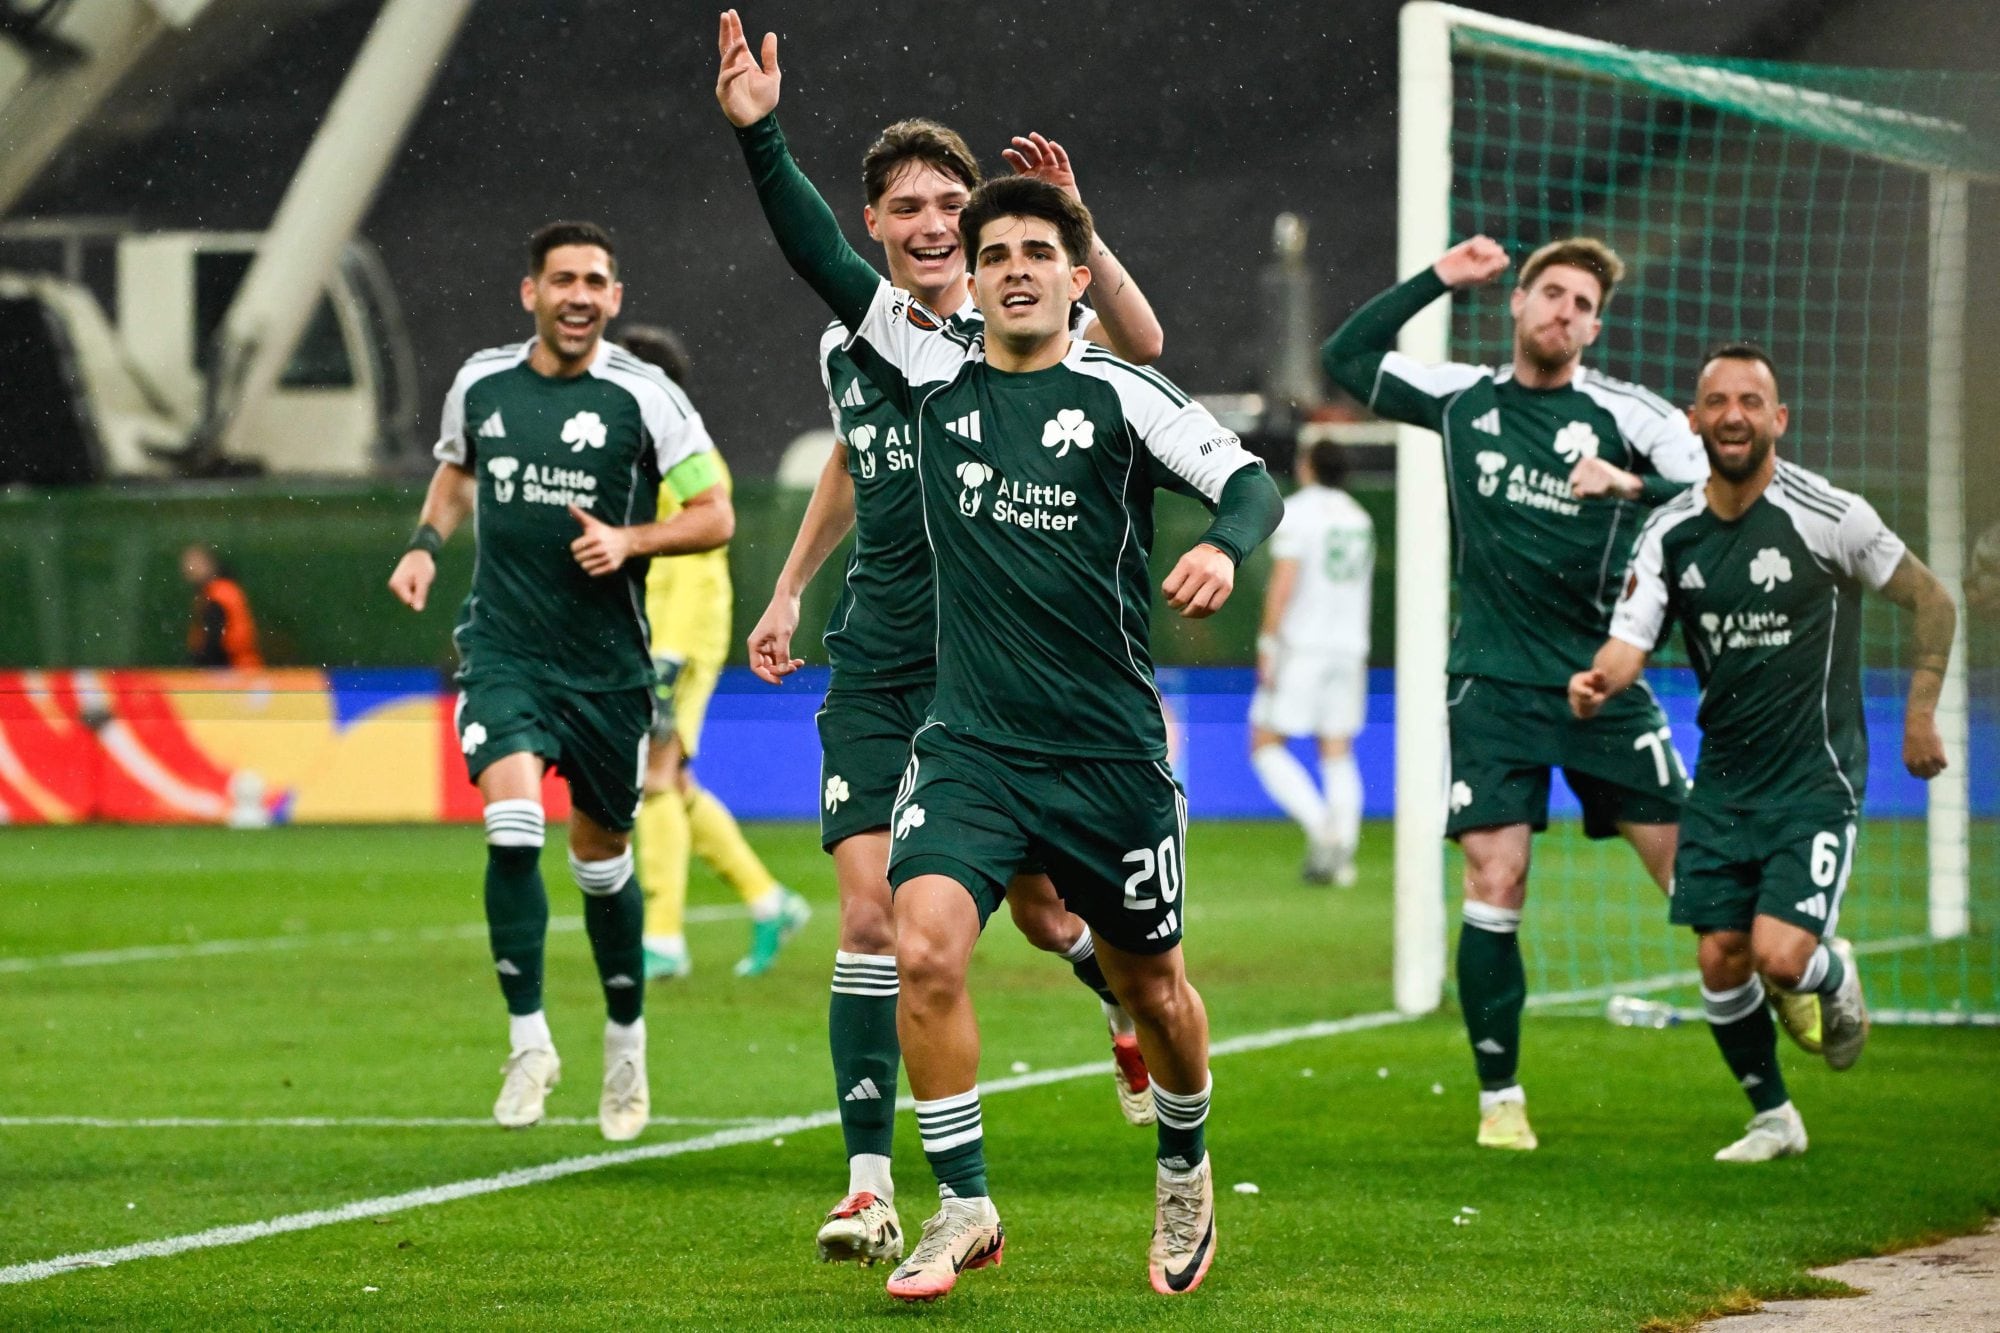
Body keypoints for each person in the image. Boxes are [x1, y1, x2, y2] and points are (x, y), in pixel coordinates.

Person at [719, 10, 1282, 1299]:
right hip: (966, 744)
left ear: (1075, 276)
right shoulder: (921, 370)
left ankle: (1185, 1162)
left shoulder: (1118, 395)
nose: (1013, 267)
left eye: (1038, 250)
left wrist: (1226, 552)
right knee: (913, 941)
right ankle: (959, 1204)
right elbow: (819, 252)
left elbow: (1246, 484)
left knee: (1159, 993)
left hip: (1104, 754)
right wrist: (761, 137)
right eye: (993, 254)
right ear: (963, 280)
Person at [1322, 234, 1723, 1152]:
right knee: (1494, 879)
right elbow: (1342, 362)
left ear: (1595, 324)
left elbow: (1716, 495)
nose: (1564, 313)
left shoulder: (1630, 414)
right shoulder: (1465, 397)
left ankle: (1801, 978)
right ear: (1517, 303)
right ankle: (1500, 1097)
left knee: (1698, 883)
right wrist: (1437, 278)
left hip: (1602, 683)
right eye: (1551, 294)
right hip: (1492, 686)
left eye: (1583, 304)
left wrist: (1630, 482)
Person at [386, 222, 733, 1142]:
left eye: (595, 281)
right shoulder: (481, 382)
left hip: (605, 672)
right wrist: (425, 546)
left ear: (615, 298)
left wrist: (630, 540)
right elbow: (455, 473)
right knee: (510, 826)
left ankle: (625, 1041)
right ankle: (530, 1040)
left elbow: (715, 514)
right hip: (502, 652)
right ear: (529, 292)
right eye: (562, 279)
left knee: (600, 862)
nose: (579, 294)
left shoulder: (646, 397)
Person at [1571, 342, 1956, 1161]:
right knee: (1719, 956)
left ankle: (1830, 974)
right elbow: (1629, 643)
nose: (1734, 415)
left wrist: (1920, 712)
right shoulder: (1671, 531)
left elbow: (1931, 599)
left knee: (1781, 957)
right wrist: (1597, 683)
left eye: (1751, 401)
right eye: (1718, 401)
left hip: (1815, 779)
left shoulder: (1831, 515)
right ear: (1694, 420)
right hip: (1722, 781)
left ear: (1778, 418)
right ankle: (1774, 1116)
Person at [617, 324, 810, 982]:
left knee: (655, 778)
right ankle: (769, 900)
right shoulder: (644, 451)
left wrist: (667, 653)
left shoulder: (684, 453)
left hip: (681, 635)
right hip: (658, 634)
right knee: (674, 779)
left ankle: (663, 937)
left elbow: (697, 557)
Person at [1250, 439, 1375, 886]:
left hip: (1303, 645)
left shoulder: (1297, 513)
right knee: (1337, 749)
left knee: (1265, 744)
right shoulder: (1360, 518)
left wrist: (1268, 642)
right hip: (1349, 647)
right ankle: (1342, 853)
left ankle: (1323, 828)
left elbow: (1286, 580)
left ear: (1307, 466)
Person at [181, 544, 264, 667]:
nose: (188, 569)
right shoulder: (220, 590)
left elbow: (215, 640)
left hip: (234, 670)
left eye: (193, 563)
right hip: (240, 669)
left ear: (207, 564)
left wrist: (198, 664)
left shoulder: (219, 593)